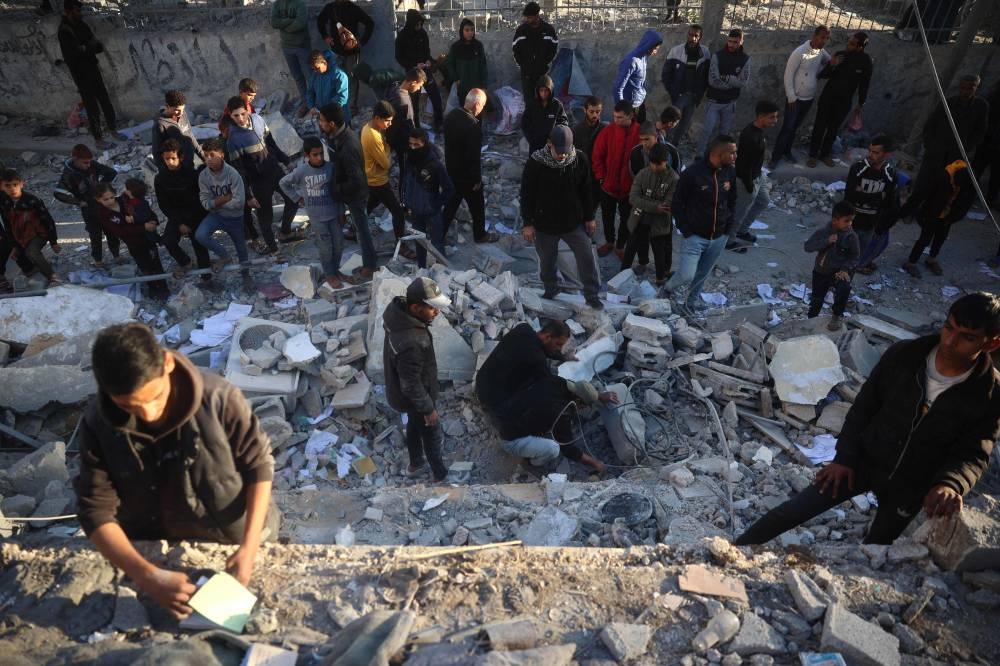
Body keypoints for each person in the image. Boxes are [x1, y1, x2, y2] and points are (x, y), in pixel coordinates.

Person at [735, 292, 1000, 546]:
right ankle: (732, 550)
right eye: (948, 328)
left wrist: (950, 484)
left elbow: (974, 452)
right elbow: (863, 409)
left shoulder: (990, 392)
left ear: (991, 343)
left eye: (967, 337)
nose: (950, 341)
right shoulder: (905, 356)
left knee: (878, 545)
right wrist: (844, 458)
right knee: (793, 511)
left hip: (913, 484)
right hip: (862, 461)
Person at [74, 322, 279, 618]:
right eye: (130, 407)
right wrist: (146, 575)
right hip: (151, 543)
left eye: (155, 397)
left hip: (231, 534)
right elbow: (95, 509)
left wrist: (250, 547)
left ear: (168, 363)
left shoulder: (218, 398)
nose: (148, 414)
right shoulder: (98, 423)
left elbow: (258, 465)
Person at [476, 320, 613, 474]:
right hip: (494, 404)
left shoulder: (524, 329)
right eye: (558, 344)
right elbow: (568, 449)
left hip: (483, 380)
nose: (559, 348)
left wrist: (563, 357)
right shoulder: (561, 413)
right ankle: (531, 463)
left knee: (533, 388)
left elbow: (542, 353)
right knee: (553, 449)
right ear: (547, 336)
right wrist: (595, 463)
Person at [520, 125, 603, 310]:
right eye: (559, 151)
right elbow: (526, 194)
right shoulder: (536, 163)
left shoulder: (579, 159)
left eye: (566, 151)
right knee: (547, 262)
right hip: (544, 224)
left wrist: (589, 217)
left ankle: (592, 295)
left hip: (573, 223)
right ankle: (551, 288)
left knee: (586, 257)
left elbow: (586, 190)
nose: (562, 155)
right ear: (550, 144)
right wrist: (527, 223)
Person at [383, 277, 451, 482]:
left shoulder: (398, 315)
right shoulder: (412, 341)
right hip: (414, 397)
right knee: (431, 433)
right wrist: (428, 409)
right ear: (415, 307)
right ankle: (440, 476)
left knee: (414, 424)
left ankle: (415, 464)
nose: (437, 312)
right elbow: (411, 384)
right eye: (432, 308)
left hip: (403, 396)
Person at [664, 135, 737, 312]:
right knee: (686, 275)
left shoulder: (730, 172)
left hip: (719, 237)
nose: (735, 156)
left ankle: (689, 305)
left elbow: (732, 200)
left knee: (702, 274)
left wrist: (728, 228)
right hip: (695, 238)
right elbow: (677, 204)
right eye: (732, 153)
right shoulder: (692, 174)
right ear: (718, 153)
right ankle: (667, 289)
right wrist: (686, 230)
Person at [904, 74, 990, 217]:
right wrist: (930, 145)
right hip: (935, 152)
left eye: (970, 88)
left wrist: (965, 148)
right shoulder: (947, 102)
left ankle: (926, 215)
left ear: (976, 88)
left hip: (955, 156)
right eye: (963, 88)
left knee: (942, 188)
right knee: (922, 185)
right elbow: (931, 124)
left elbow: (980, 131)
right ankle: (907, 212)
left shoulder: (981, 106)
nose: (966, 91)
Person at [225, 96, 301, 253]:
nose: (240, 119)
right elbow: (239, 172)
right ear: (230, 116)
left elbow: (271, 143)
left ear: (247, 111)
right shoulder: (233, 140)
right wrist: (248, 196)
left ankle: (285, 232)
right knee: (265, 217)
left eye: (242, 114)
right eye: (235, 116)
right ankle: (274, 251)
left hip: (275, 170)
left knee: (293, 200)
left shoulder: (258, 120)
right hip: (258, 181)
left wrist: (286, 161)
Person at [318, 103, 377, 280]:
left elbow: (357, 181)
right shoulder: (337, 136)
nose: (320, 124)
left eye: (322, 121)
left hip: (355, 195)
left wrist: (336, 190)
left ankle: (370, 266)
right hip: (347, 191)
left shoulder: (348, 146)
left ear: (332, 124)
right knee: (359, 228)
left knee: (362, 231)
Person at [281, 137, 350, 288]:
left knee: (338, 244)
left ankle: (336, 270)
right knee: (325, 247)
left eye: (321, 154)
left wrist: (342, 213)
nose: (319, 158)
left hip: (334, 214)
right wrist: (297, 198)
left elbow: (338, 192)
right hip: (317, 217)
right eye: (315, 155)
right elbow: (283, 183)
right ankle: (329, 274)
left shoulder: (331, 168)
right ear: (307, 155)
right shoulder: (302, 171)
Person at [57, 0, 125, 150]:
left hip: (92, 69)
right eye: (77, 11)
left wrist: (84, 48)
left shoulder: (82, 25)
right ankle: (99, 140)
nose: (80, 13)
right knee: (92, 107)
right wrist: (87, 48)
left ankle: (113, 130)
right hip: (81, 74)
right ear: (68, 11)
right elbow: (72, 55)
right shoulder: (64, 31)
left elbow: (98, 46)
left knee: (105, 100)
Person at [93, 183, 169, 300]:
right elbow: (119, 231)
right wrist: (143, 227)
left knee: (156, 263)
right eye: (105, 199)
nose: (110, 201)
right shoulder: (103, 214)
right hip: (134, 243)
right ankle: (152, 287)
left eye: (112, 197)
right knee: (144, 266)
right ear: (98, 199)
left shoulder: (125, 201)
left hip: (148, 238)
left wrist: (153, 220)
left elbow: (146, 211)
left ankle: (163, 287)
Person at [808, 31, 873, 168]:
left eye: (852, 44)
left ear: (860, 47)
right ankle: (813, 155)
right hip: (827, 98)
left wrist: (861, 102)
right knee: (819, 127)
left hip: (844, 102)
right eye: (849, 42)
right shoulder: (840, 55)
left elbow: (864, 83)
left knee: (833, 129)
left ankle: (825, 154)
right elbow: (822, 75)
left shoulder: (865, 61)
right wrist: (832, 64)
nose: (848, 45)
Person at [442, 89, 499, 243]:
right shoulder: (473, 126)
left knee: (451, 204)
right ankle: (480, 234)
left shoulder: (452, 115)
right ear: (477, 105)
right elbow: (473, 157)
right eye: (483, 106)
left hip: (451, 169)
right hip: (467, 176)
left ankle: (438, 234)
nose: (482, 109)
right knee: (477, 205)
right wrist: (477, 179)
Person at [902, 159, 975, 279]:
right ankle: (911, 263)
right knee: (924, 239)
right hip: (932, 213)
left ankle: (932, 259)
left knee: (941, 237)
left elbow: (965, 202)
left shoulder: (969, 180)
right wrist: (910, 211)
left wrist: (953, 217)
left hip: (948, 214)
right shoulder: (942, 177)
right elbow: (923, 194)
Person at [771, 26, 831, 167]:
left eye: (827, 38)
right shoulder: (800, 52)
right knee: (787, 128)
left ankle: (787, 152)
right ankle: (775, 157)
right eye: (822, 37)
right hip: (795, 99)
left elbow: (829, 61)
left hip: (808, 99)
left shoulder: (821, 52)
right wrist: (791, 96)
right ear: (814, 36)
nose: (824, 41)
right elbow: (788, 75)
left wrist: (832, 63)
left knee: (795, 127)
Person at [153, 140, 212, 283]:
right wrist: (179, 223)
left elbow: (200, 199)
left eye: (173, 158)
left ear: (181, 157)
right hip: (177, 217)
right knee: (168, 241)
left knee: (199, 245)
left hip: (196, 216)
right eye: (166, 158)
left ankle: (207, 278)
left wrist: (191, 223)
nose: (170, 162)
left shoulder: (192, 175)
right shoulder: (160, 179)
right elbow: (164, 205)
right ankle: (186, 262)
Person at [362, 101, 414, 259]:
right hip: (378, 180)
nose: (390, 124)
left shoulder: (370, 128)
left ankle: (355, 225)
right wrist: (387, 149)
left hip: (373, 177)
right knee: (398, 213)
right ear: (377, 118)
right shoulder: (373, 136)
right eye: (387, 121)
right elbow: (386, 163)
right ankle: (401, 244)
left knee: (372, 202)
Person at [54, 143, 120, 267]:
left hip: (103, 205)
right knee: (95, 236)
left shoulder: (92, 165)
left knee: (111, 231)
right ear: (75, 159)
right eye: (85, 163)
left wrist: (101, 188)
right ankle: (98, 261)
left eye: (89, 162)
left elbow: (111, 172)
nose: (88, 165)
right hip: (88, 209)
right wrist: (78, 202)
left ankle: (117, 256)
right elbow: (59, 193)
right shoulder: (69, 173)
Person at [622, 143, 678, 284]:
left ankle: (660, 278)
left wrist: (645, 202)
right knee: (631, 246)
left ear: (666, 161)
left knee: (659, 250)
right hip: (639, 217)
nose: (654, 167)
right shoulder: (643, 173)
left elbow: (667, 205)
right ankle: (622, 275)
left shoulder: (674, 179)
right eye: (652, 163)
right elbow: (633, 198)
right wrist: (655, 206)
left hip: (659, 222)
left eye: (658, 164)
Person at [729, 100, 780, 251]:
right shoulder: (750, 136)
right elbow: (743, 164)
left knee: (763, 201)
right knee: (739, 211)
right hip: (747, 179)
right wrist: (749, 185)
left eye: (776, 117)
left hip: (758, 176)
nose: (775, 121)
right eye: (772, 117)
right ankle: (729, 241)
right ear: (761, 116)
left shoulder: (758, 131)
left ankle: (742, 230)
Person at [592, 101, 640, 258]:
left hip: (629, 189)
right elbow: (597, 156)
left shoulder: (640, 134)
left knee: (627, 219)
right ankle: (609, 242)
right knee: (607, 217)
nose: (616, 120)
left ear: (630, 116)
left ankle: (620, 246)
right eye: (614, 117)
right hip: (608, 186)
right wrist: (601, 178)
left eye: (620, 117)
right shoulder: (607, 132)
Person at [844, 134, 898, 274]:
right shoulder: (858, 168)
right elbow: (849, 196)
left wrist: (862, 195)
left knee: (856, 258)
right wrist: (878, 196)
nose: (870, 155)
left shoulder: (890, 174)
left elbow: (888, 202)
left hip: (869, 225)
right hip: (852, 222)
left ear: (886, 155)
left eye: (875, 152)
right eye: (870, 151)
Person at [0, 169, 62, 289]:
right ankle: (32, 270)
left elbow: (48, 221)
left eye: (15, 185)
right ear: (2, 187)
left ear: (21, 184)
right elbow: (8, 226)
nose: (12, 189)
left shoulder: (32, 200)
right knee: (17, 254)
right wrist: (14, 246)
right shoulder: (5, 203)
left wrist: (53, 242)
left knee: (32, 251)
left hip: (38, 234)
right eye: (7, 186)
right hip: (20, 236)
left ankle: (53, 276)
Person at [402, 128, 453, 268]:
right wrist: (405, 202)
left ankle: (444, 272)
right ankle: (422, 269)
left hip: (432, 213)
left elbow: (449, 189)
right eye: (410, 144)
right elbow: (406, 181)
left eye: (416, 145)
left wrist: (434, 205)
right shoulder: (410, 160)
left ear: (424, 144)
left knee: (437, 244)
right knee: (419, 242)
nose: (412, 148)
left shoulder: (435, 165)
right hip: (415, 212)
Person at [804, 200, 859, 331]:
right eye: (846, 221)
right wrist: (826, 241)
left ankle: (837, 315)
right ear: (835, 220)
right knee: (817, 299)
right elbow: (808, 246)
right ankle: (811, 319)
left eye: (851, 220)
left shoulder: (851, 237)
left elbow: (855, 256)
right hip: (821, 271)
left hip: (839, 272)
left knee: (844, 288)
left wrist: (845, 269)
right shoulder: (824, 232)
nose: (850, 224)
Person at [197, 138, 249, 273]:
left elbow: (239, 202)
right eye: (206, 155)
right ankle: (224, 256)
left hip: (235, 218)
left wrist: (215, 203)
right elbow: (205, 203)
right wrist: (224, 199)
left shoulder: (232, 174)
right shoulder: (203, 176)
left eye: (212, 155)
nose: (209, 159)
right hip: (217, 215)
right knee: (200, 235)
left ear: (221, 155)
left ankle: (246, 275)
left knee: (241, 249)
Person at [697, 29, 750, 160]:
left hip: (730, 103)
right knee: (707, 130)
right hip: (714, 101)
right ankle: (700, 155)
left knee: (724, 133)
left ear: (741, 41)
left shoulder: (745, 59)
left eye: (735, 42)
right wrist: (732, 82)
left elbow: (743, 82)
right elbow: (713, 80)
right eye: (730, 41)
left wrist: (726, 78)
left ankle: (720, 157)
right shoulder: (718, 56)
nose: (731, 45)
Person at [317, 0, 374, 115]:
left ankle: (352, 106)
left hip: (351, 52)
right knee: (336, 78)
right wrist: (325, 36)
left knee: (351, 78)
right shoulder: (330, 8)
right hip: (335, 51)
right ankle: (338, 105)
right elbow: (320, 21)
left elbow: (370, 23)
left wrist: (360, 42)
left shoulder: (353, 8)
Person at [660, 24, 711, 148]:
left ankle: (674, 146)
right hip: (679, 95)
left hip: (693, 96)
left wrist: (700, 92)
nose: (693, 38)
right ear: (687, 34)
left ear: (700, 37)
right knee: (672, 122)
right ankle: (666, 146)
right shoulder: (676, 51)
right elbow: (666, 74)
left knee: (684, 123)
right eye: (691, 35)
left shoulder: (705, 52)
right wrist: (673, 91)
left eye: (696, 36)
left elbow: (706, 75)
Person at [395, 9, 443, 131]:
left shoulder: (422, 33)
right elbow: (399, 57)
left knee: (435, 96)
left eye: (421, 24)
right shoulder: (402, 37)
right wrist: (414, 65)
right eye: (417, 24)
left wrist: (428, 61)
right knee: (413, 101)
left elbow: (427, 52)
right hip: (412, 73)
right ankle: (415, 127)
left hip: (425, 71)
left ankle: (439, 123)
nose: (419, 26)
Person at [385, 68, 427, 197]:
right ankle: (403, 200)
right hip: (403, 143)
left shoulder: (396, 88)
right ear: (413, 82)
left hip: (402, 140)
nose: (419, 89)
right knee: (405, 171)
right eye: (419, 86)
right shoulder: (401, 100)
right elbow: (396, 126)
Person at [270, 0, 312, 117]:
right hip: (287, 47)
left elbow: (300, 23)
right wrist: (290, 20)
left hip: (302, 46)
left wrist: (283, 26)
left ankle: (315, 103)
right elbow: (273, 22)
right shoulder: (277, 4)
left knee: (310, 76)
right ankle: (306, 102)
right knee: (297, 76)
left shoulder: (299, 3)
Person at [614, 29, 663, 124]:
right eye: (655, 49)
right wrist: (623, 110)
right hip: (629, 107)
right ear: (648, 45)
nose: (655, 52)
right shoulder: (632, 61)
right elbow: (618, 87)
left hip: (639, 103)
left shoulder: (643, 58)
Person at [512, 2, 558, 101]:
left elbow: (553, 49)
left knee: (544, 101)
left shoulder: (548, 30)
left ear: (537, 16)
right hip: (527, 74)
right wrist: (523, 66)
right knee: (529, 102)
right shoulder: (521, 30)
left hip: (543, 73)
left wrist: (546, 64)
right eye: (526, 17)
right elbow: (515, 50)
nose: (527, 19)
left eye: (529, 17)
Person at [151, 90, 204, 172]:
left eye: (182, 109)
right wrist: (165, 173)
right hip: (176, 170)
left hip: (190, 164)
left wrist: (203, 156)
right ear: (167, 106)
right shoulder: (160, 125)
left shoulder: (182, 114)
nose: (181, 113)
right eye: (177, 110)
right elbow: (157, 153)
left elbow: (190, 137)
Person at [572, 95, 606, 218]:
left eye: (598, 111)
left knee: (591, 210)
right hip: (581, 175)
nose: (595, 115)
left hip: (597, 176)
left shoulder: (605, 130)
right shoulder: (577, 130)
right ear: (585, 110)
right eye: (592, 111)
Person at [446, 19, 488, 112]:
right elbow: (449, 64)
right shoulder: (456, 47)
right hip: (463, 87)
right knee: (465, 113)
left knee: (477, 112)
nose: (470, 33)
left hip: (477, 88)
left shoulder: (478, 46)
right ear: (462, 31)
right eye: (467, 30)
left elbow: (483, 66)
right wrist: (456, 78)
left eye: (472, 30)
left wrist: (484, 86)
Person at [521, 74, 569, 153]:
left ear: (551, 90)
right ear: (538, 91)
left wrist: (555, 137)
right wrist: (532, 138)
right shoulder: (532, 105)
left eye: (546, 90)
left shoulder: (557, 105)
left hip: (552, 146)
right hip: (535, 146)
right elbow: (525, 123)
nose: (544, 93)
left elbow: (563, 123)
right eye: (541, 90)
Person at [972, 81, 1000, 208]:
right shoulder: (993, 96)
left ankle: (990, 198)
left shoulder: (992, 94)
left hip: (990, 141)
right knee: (978, 169)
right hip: (988, 140)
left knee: (994, 174)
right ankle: (968, 194)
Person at [306, 49, 350, 124]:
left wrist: (327, 111)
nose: (315, 71)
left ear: (324, 62)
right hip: (324, 117)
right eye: (313, 69)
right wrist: (311, 106)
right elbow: (310, 92)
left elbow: (342, 97)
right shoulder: (315, 75)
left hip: (338, 116)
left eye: (317, 68)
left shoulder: (339, 75)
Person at [655, 105, 682, 171]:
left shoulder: (652, 126)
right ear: (670, 123)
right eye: (676, 123)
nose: (676, 125)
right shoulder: (660, 137)